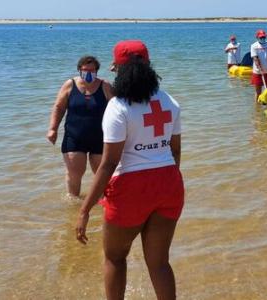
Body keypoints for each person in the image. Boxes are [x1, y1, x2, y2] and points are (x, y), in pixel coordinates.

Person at [75, 40, 184, 300]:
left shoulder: (118, 107)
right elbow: (175, 151)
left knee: (114, 258)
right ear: (148, 66)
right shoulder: (170, 101)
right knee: (159, 263)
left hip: (130, 188)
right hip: (169, 182)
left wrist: (84, 209)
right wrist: (166, 182)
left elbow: (109, 163)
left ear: (118, 69)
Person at [47, 56, 114, 198]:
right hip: (74, 137)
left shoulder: (105, 86)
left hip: (100, 138)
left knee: (102, 173)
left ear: (97, 70)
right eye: (85, 70)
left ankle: (105, 205)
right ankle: (73, 205)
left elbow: (118, 109)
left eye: (92, 70)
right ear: (79, 70)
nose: (89, 73)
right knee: (74, 173)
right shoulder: (70, 85)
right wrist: (53, 129)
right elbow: (59, 107)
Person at [250, 29, 267, 103]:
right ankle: (257, 108)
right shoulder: (254, 46)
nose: (262, 39)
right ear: (257, 37)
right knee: (258, 92)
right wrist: (260, 69)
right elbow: (255, 58)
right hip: (258, 72)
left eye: (263, 37)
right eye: (261, 37)